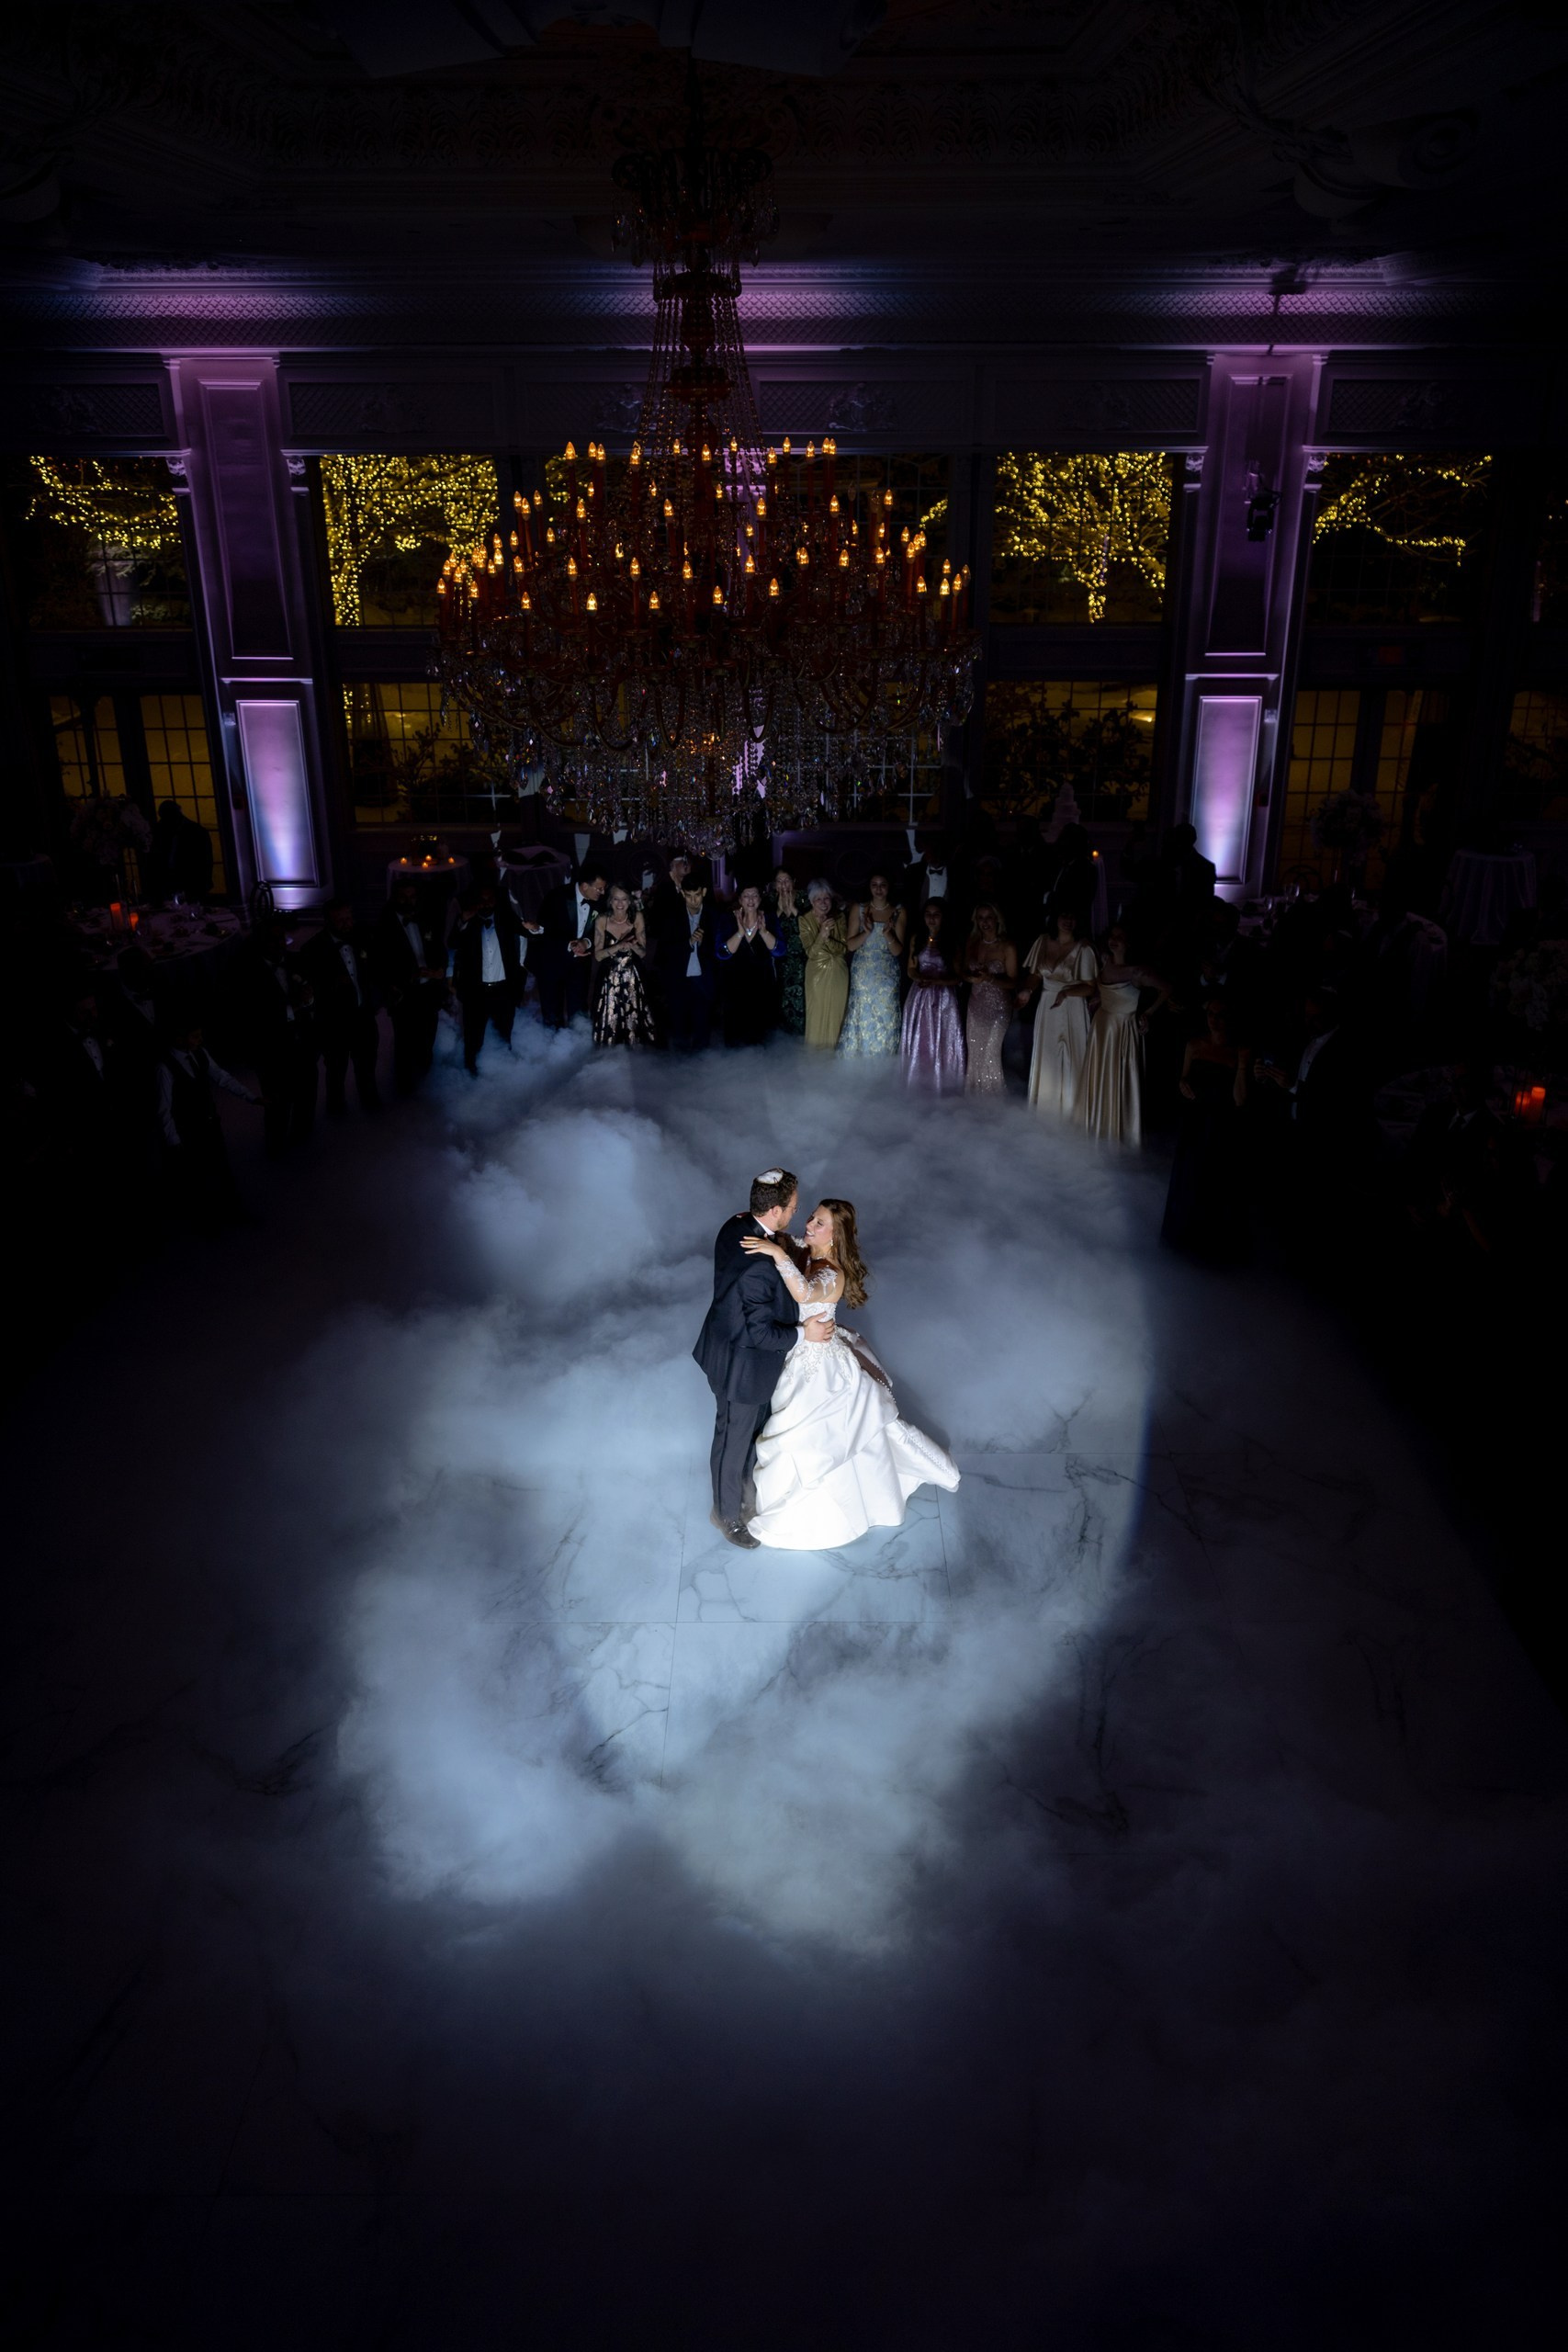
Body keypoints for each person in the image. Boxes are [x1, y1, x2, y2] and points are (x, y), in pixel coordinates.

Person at [739, 1198, 960, 1550]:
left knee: (813, 1441)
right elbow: (789, 1241)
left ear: (835, 1235)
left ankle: (823, 1518)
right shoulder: (807, 1251)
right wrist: (767, 1231)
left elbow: (804, 1292)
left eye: (820, 1223)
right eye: (811, 1217)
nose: (809, 1225)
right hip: (800, 1353)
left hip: (820, 1369)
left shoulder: (832, 1273)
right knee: (794, 1434)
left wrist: (778, 1255)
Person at [692, 1167, 831, 1550]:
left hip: (723, 1346)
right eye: (793, 1208)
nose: (796, 1213)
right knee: (733, 1440)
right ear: (775, 1211)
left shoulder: (736, 1225)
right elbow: (762, 1335)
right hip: (742, 1367)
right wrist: (805, 1333)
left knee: (743, 1433)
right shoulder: (760, 1267)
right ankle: (727, 1516)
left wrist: (784, 1251)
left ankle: (745, 1493)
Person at [1160, 998, 1253, 1261]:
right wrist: (1182, 1084)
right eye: (1211, 1013)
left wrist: (1243, 1064)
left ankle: (1210, 1251)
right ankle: (1180, 1245)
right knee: (1188, 1180)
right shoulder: (1194, 1045)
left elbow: (1240, 1100)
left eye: (1221, 1014)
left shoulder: (1239, 1051)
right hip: (1195, 1122)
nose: (1215, 1020)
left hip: (1223, 1125)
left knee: (1216, 1185)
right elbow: (1183, 1079)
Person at [1067, 925, 1169, 1145]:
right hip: (1102, 1027)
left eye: (1119, 937)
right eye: (1111, 936)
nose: (1113, 940)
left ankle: (1119, 1131)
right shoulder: (1106, 961)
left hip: (1124, 1028)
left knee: (1119, 1076)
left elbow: (1168, 988)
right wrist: (1099, 998)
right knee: (1100, 1074)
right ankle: (1098, 1122)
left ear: (1129, 942)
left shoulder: (1138, 972)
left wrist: (1148, 1013)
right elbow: (1101, 986)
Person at [157, 1016, 261, 1231]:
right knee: (199, 1175)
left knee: (222, 1168)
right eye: (195, 1036)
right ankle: (210, 1221)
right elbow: (164, 1108)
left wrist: (251, 1097)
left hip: (210, 1123)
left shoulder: (200, 1054)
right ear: (179, 1039)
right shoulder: (165, 1067)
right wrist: (173, 1139)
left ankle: (232, 1210)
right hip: (189, 1131)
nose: (200, 1040)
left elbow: (222, 1077)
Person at [234, 913, 316, 1152]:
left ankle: (303, 1136)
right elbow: (250, 1017)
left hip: (304, 1044)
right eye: (272, 939)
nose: (280, 943)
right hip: (271, 1051)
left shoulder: (296, 961)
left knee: (307, 1094)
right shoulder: (247, 973)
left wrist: (310, 999)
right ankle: (276, 1144)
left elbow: (312, 995)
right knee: (278, 1102)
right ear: (259, 942)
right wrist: (293, 1008)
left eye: (282, 937)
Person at [303, 898, 381, 1114]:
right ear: (328, 921)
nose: (347, 923)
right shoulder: (312, 949)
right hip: (334, 1023)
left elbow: (376, 969)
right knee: (336, 1069)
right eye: (340, 920)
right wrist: (332, 983)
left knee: (367, 1063)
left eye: (349, 918)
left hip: (363, 1016)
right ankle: (336, 1108)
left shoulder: (362, 937)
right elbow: (307, 990)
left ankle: (369, 1100)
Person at [1019, 910, 1097, 1118]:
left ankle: (1074, 1113)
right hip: (1048, 1006)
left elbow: (1091, 987)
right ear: (1055, 917)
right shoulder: (1043, 941)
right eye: (1064, 915)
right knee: (1048, 1056)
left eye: (1072, 916)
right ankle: (1047, 1110)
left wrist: (1067, 992)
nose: (1068, 920)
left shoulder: (1084, 948)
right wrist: (1027, 990)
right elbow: (1035, 975)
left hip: (1073, 1007)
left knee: (1073, 1057)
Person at [373, 881, 445, 1092]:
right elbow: (379, 966)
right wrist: (410, 976)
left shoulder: (424, 918)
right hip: (404, 995)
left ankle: (426, 1082)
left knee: (428, 1037)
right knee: (405, 1042)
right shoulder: (384, 926)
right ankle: (404, 1089)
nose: (408, 901)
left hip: (429, 991)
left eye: (412, 897)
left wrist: (439, 970)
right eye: (403, 897)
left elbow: (438, 948)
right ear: (394, 898)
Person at [449, 885, 524, 1075]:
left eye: (490, 899)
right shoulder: (466, 923)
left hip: (503, 990)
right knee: (473, 1038)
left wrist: (534, 928)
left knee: (504, 1034)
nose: (486, 904)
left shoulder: (505, 919)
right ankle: (470, 1076)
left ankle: (504, 1073)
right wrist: (463, 920)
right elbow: (452, 943)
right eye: (481, 900)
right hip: (475, 992)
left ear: (496, 901)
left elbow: (526, 932)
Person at [901, 899, 965, 1094]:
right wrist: (919, 977)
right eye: (928, 914)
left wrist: (937, 981)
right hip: (920, 996)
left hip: (944, 998)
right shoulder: (917, 938)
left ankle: (942, 1085)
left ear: (943, 917)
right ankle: (918, 1083)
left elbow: (958, 977)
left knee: (941, 1039)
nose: (931, 918)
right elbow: (911, 969)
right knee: (920, 1039)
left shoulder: (952, 942)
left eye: (936, 914)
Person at [839, 871, 905, 1057]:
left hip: (887, 975)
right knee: (861, 1015)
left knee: (886, 1016)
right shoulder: (859, 909)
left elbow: (898, 951)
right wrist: (867, 932)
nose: (878, 889)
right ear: (869, 887)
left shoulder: (899, 912)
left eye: (883, 885)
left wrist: (888, 934)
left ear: (889, 887)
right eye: (874, 885)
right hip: (863, 973)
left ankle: (883, 1063)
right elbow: (850, 945)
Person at [536, 865, 607, 1027]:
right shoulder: (556, 896)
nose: (602, 892)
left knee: (579, 1013)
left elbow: (600, 931)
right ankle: (553, 1042)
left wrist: (586, 942)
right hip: (553, 963)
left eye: (604, 888)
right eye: (599, 888)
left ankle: (577, 1042)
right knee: (552, 1013)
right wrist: (569, 944)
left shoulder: (600, 903)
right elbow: (544, 929)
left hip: (580, 966)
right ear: (585, 886)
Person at [660, 873, 721, 1050]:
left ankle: (702, 1064)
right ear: (682, 893)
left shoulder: (714, 915)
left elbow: (720, 951)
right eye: (689, 896)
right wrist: (688, 942)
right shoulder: (672, 916)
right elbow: (664, 952)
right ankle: (681, 1064)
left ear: (704, 892)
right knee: (679, 1031)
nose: (693, 900)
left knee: (703, 1031)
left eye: (697, 895)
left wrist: (703, 944)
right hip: (679, 981)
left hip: (703, 981)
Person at [592, 884, 657, 1047]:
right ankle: (608, 1055)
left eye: (624, 899)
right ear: (610, 901)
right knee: (610, 1020)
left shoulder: (637, 917)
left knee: (635, 1019)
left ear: (629, 901)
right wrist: (618, 946)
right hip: (609, 979)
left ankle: (636, 1053)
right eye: (616, 899)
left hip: (633, 978)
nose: (620, 904)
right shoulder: (602, 920)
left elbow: (643, 953)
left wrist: (633, 946)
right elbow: (598, 956)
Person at [716, 885, 783, 1046]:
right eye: (747, 896)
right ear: (740, 900)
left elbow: (780, 951)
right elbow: (722, 953)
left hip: (762, 986)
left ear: (760, 899)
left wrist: (764, 932)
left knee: (762, 1036)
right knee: (736, 1035)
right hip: (735, 986)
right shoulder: (728, 919)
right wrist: (740, 933)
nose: (751, 900)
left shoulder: (769, 918)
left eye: (755, 895)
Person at [963, 901, 1017, 1095]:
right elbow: (964, 971)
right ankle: (974, 1098)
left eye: (989, 917)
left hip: (998, 1007)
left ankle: (994, 1100)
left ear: (997, 919)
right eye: (981, 918)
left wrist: (990, 979)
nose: (985, 922)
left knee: (990, 1054)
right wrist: (970, 978)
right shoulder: (973, 942)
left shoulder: (1007, 946)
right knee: (975, 1053)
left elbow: (1013, 982)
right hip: (975, 1004)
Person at [798, 879, 849, 1047]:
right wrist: (821, 935)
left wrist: (827, 938)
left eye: (826, 898)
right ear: (812, 901)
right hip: (816, 973)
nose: (823, 903)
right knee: (816, 1013)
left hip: (839, 972)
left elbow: (843, 950)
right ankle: (814, 1055)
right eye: (818, 899)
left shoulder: (839, 917)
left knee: (837, 1013)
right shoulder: (805, 920)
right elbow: (811, 953)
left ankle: (833, 1054)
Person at [146, 799, 212, 904]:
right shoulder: (161, 830)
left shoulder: (196, 832)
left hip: (191, 882)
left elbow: (205, 862)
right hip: (173, 882)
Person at [770, 867, 807, 1035]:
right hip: (779, 959)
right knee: (779, 996)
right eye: (779, 881)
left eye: (787, 880)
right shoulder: (769, 900)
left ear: (794, 881)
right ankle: (782, 1038)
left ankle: (800, 1036)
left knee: (802, 996)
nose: (783, 885)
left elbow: (811, 925)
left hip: (802, 958)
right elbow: (767, 927)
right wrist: (779, 910)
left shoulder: (804, 898)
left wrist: (794, 909)